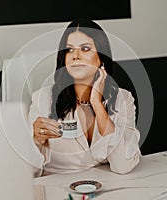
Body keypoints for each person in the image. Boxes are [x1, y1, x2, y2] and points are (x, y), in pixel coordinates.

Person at [27, 19, 141, 177]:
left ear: (101, 57)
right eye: (69, 50)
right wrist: (36, 141)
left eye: (85, 48)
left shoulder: (123, 99)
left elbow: (123, 165)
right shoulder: (43, 99)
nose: (75, 56)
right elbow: (28, 174)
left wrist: (97, 104)